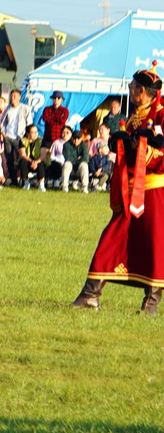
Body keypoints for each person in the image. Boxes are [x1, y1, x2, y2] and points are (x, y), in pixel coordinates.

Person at [71, 71, 164, 312]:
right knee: (113, 236)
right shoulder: (134, 115)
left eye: (132, 86)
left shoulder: (161, 114)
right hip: (129, 188)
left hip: (154, 191)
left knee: (155, 244)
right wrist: (120, 143)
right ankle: (90, 294)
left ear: (142, 91)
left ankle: (151, 302)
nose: (129, 89)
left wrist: (140, 151)